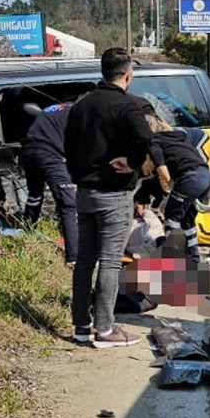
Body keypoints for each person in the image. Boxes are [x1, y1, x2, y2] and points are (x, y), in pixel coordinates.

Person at [64, 47, 152, 349]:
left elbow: (68, 146)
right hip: (114, 194)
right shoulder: (127, 106)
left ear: (102, 72)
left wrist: (78, 176)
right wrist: (132, 161)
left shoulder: (81, 106)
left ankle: (81, 325)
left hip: (85, 193)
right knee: (111, 263)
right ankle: (104, 329)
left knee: (84, 261)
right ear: (128, 75)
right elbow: (145, 137)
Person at [138, 114, 210, 262]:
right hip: (205, 175)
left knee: (172, 217)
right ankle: (193, 259)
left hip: (189, 178)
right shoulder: (177, 138)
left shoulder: (154, 141)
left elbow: (160, 165)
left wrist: (171, 184)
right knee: (187, 221)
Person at [20, 100, 79, 266]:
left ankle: (27, 233)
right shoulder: (79, 113)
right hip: (50, 155)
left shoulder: (57, 108)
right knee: (68, 206)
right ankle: (74, 258)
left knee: (34, 194)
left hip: (29, 150)